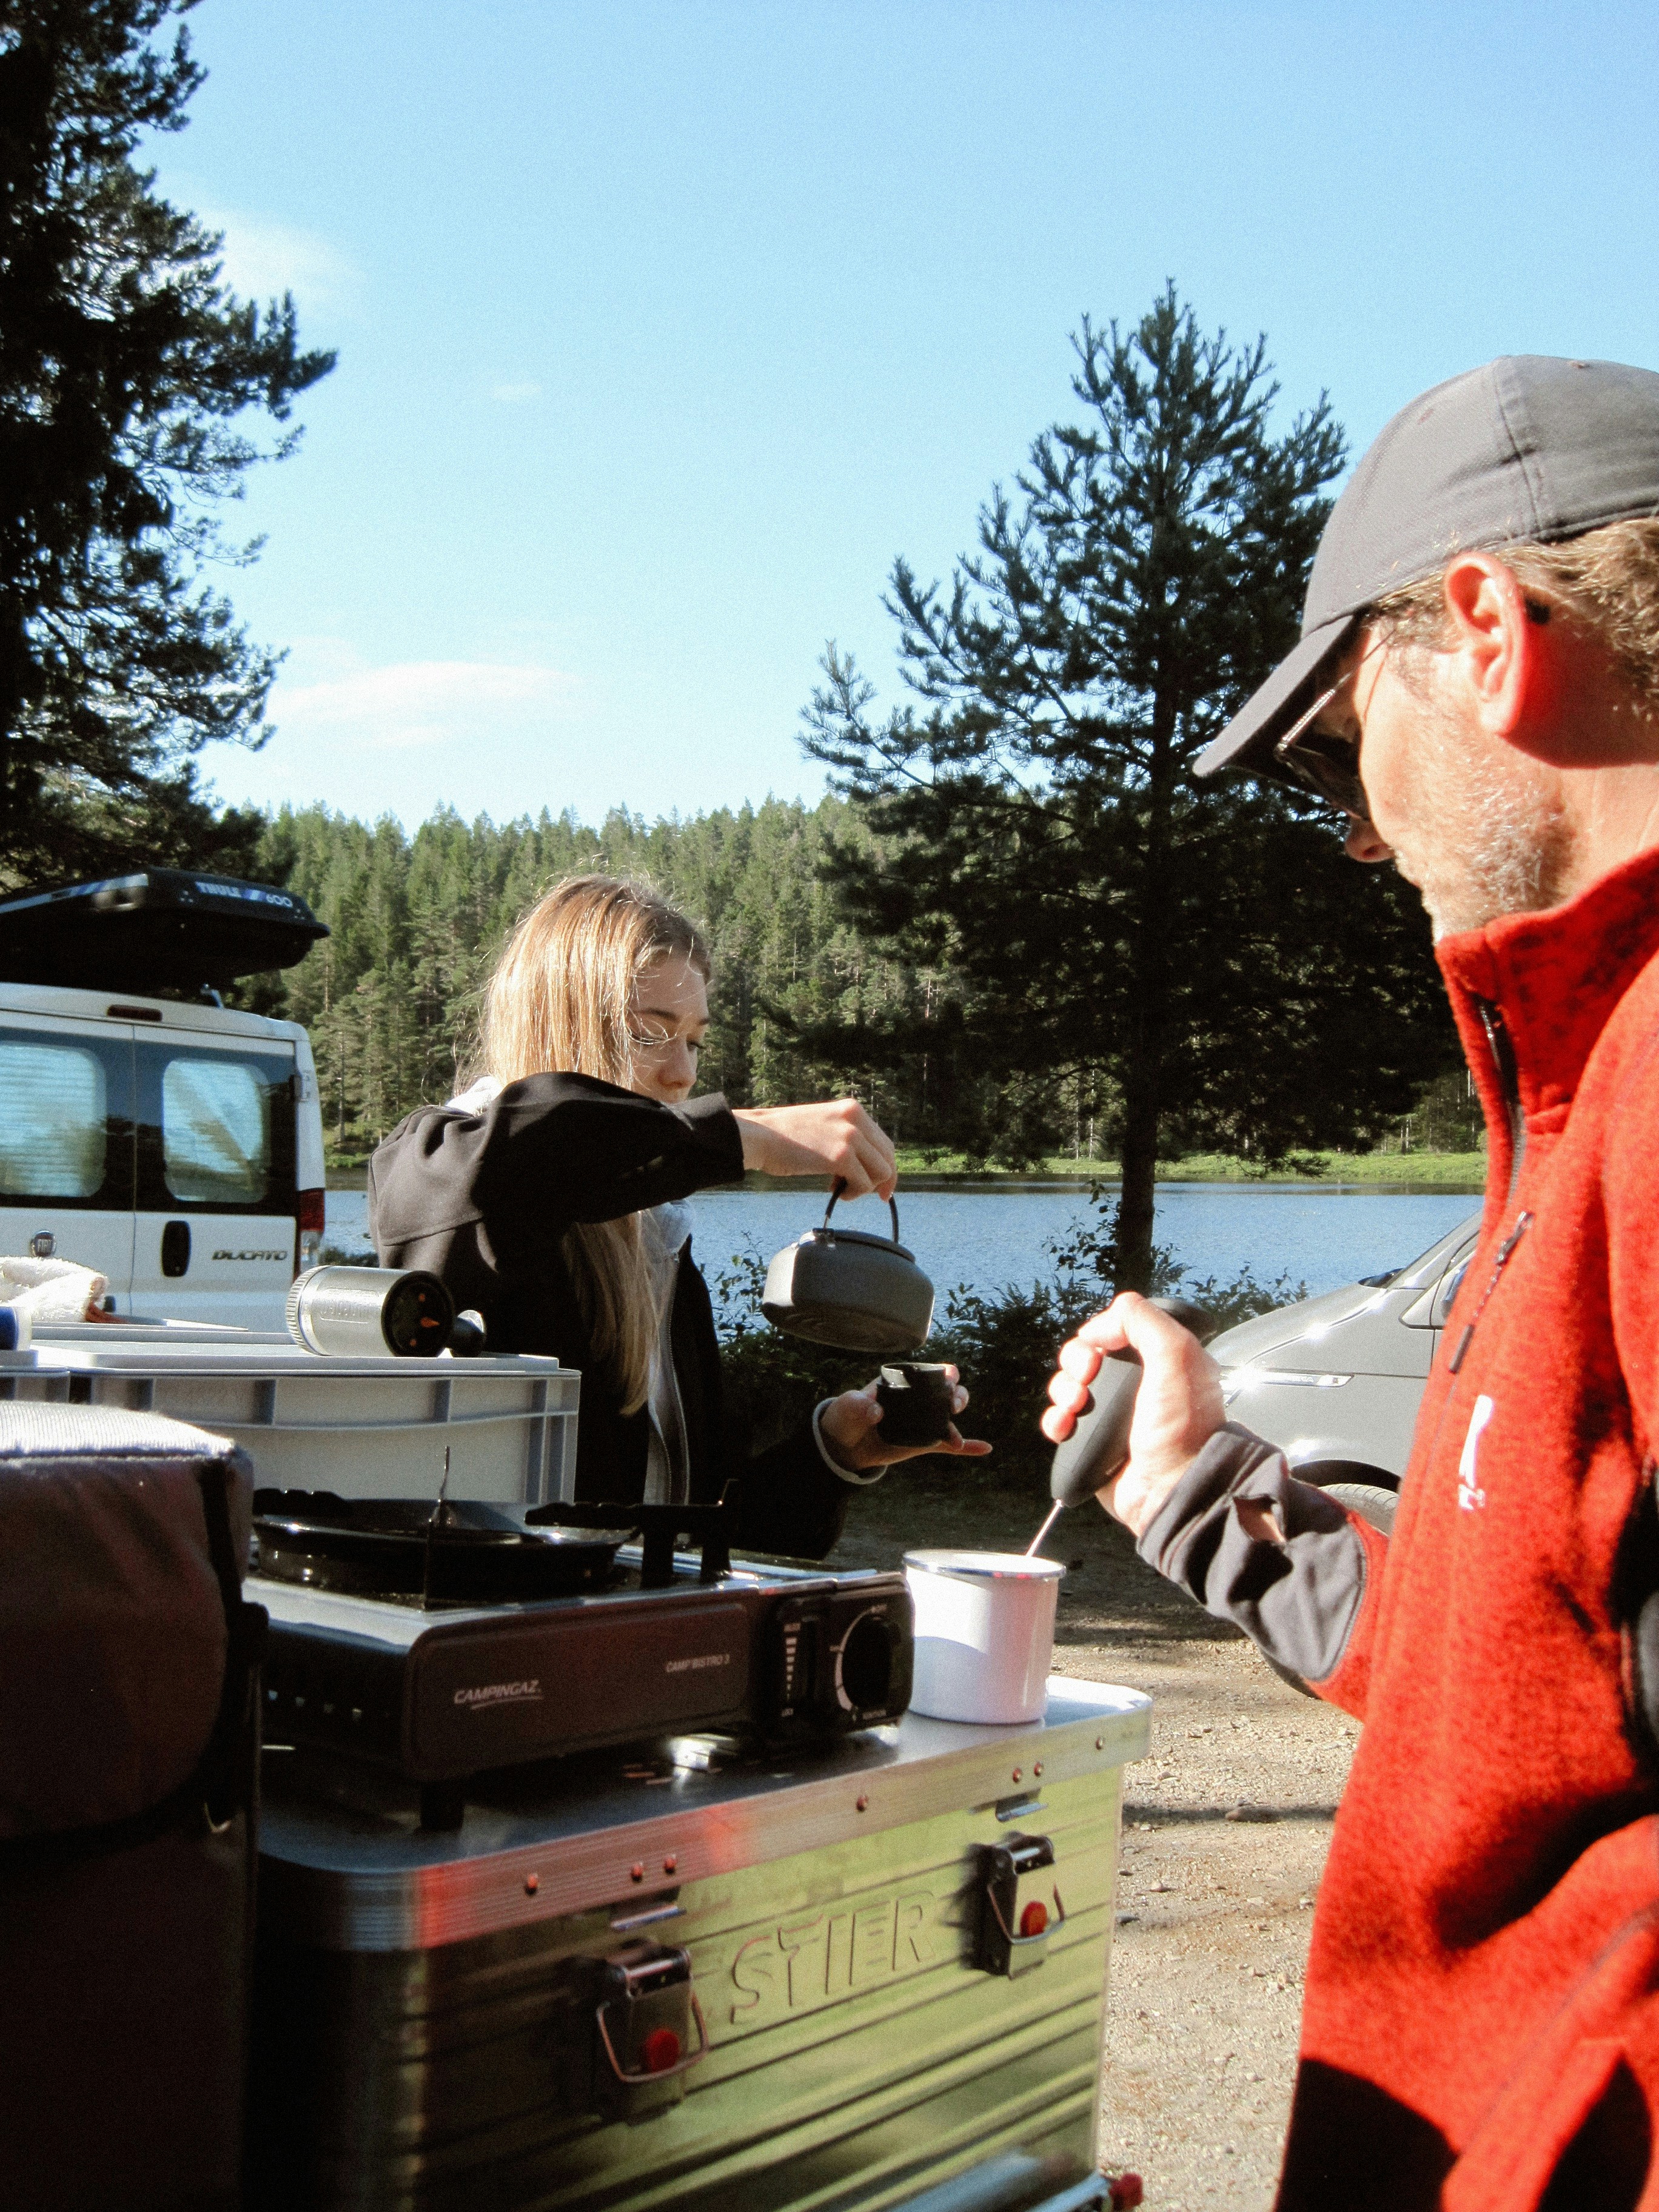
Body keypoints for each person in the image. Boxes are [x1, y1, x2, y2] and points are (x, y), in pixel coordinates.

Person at [1041, 357, 1659, 2210]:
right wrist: (1209, 1497)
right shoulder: (1585, 1075)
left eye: (1333, 746)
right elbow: (1542, 1689)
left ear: (1485, 631)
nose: (1363, 830)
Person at [370, 874, 985, 1558]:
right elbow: (524, 1157)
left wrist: (835, 1449)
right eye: (650, 1034)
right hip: (498, 1629)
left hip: (624, 1627)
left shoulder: (655, 1236)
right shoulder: (442, 1162)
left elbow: (690, 1521)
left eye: (694, 1041)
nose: (683, 1075)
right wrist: (739, 1136)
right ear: (561, 1020)